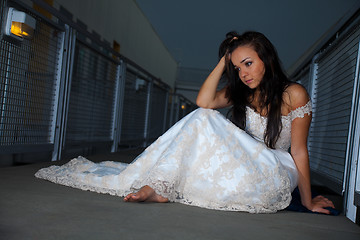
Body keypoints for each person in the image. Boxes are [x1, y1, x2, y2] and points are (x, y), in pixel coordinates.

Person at [36, 31, 334, 214]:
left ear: (266, 59)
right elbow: (203, 102)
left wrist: (306, 201)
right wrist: (224, 61)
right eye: (237, 67)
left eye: (248, 63)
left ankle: (160, 188)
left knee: (204, 124)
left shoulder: (294, 94)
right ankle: (160, 187)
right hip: (247, 165)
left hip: (275, 170)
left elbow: (299, 152)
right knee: (203, 116)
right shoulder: (240, 91)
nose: (244, 73)